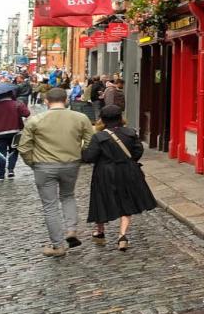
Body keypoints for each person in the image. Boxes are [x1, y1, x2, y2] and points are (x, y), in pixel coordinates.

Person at [15, 88, 95, 257]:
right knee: (68, 196)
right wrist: (79, 155)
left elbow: (24, 147)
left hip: (44, 165)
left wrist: (32, 163)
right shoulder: (80, 118)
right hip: (71, 163)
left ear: (46, 101)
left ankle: (58, 245)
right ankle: (71, 230)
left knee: (50, 205)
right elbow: (90, 141)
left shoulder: (36, 120)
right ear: (66, 100)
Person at [82, 105, 157, 251]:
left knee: (101, 200)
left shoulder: (99, 137)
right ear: (120, 118)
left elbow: (89, 157)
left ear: (102, 119)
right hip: (127, 171)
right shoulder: (130, 133)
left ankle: (100, 232)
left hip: (105, 172)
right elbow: (138, 151)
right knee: (126, 200)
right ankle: (122, 235)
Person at [0, 83, 31, 180]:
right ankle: (11, 170)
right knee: (14, 151)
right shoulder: (17, 104)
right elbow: (27, 113)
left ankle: (1, 175)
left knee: (0, 153)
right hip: (15, 132)